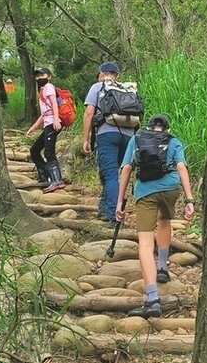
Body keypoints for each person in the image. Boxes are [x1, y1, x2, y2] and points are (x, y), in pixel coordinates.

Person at [115, 114, 195, 318]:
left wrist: (119, 201)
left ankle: (152, 298)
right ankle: (162, 267)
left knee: (144, 242)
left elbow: (126, 169)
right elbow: (181, 167)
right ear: (166, 129)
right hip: (170, 188)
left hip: (145, 191)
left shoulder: (137, 139)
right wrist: (189, 200)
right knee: (165, 220)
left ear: (149, 127)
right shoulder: (173, 141)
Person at [82, 61, 136, 222]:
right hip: (128, 136)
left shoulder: (97, 87)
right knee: (115, 174)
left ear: (101, 73)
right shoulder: (126, 89)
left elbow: (89, 113)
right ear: (117, 75)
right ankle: (105, 208)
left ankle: (114, 215)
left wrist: (85, 139)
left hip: (107, 134)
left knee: (110, 174)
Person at [25, 67, 65, 193]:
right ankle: (45, 176)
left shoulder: (48, 87)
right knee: (35, 150)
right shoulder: (42, 90)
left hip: (53, 123)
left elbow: (54, 104)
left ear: (49, 76)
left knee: (49, 152)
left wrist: (56, 119)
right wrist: (33, 128)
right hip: (48, 122)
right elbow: (44, 114)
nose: (39, 78)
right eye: (37, 76)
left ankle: (57, 181)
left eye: (42, 75)